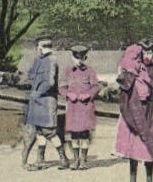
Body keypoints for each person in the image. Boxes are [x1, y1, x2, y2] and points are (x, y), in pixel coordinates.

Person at [114, 39, 153, 182]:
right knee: (133, 146)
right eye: (144, 53)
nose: (147, 56)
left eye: (150, 53)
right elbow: (123, 85)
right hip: (133, 112)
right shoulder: (133, 68)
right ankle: (132, 181)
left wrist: (149, 81)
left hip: (150, 113)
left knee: (147, 146)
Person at [21, 36, 69, 170]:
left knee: (49, 132)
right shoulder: (40, 60)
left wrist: (37, 93)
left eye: (38, 48)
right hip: (38, 102)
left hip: (46, 101)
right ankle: (40, 160)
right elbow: (31, 76)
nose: (37, 50)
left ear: (41, 48)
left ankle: (63, 159)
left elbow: (50, 82)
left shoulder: (51, 60)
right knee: (39, 131)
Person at [60, 44, 100, 170]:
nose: (79, 61)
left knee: (84, 134)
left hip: (85, 107)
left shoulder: (90, 71)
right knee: (74, 135)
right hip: (72, 107)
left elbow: (96, 87)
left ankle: (83, 160)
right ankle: (75, 160)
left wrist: (88, 94)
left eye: (82, 58)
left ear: (85, 57)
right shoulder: (67, 71)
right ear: (72, 57)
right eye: (76, 58)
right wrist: (68, 94)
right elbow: (61, 87)